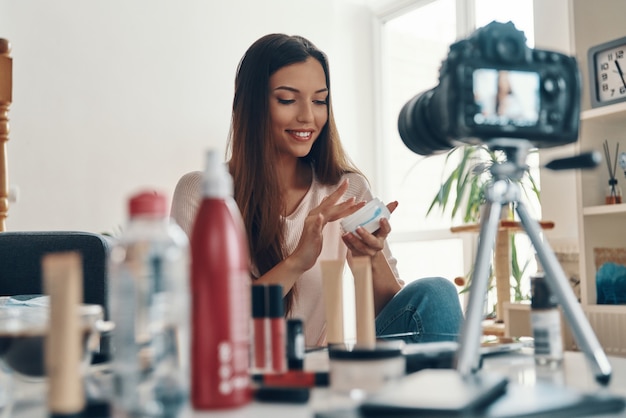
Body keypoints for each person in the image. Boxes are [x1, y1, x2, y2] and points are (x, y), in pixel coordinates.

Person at [171, 33, 463, 348]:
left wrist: (371, 255)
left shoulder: (345, 188)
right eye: (287, 99)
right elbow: (216, 318)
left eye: (319, 100)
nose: (308, 117)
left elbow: (405, 322)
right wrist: (298, 260)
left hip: (319, 372)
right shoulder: (202, 193)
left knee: (437, 292)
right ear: (251, 106)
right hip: (235, 374)